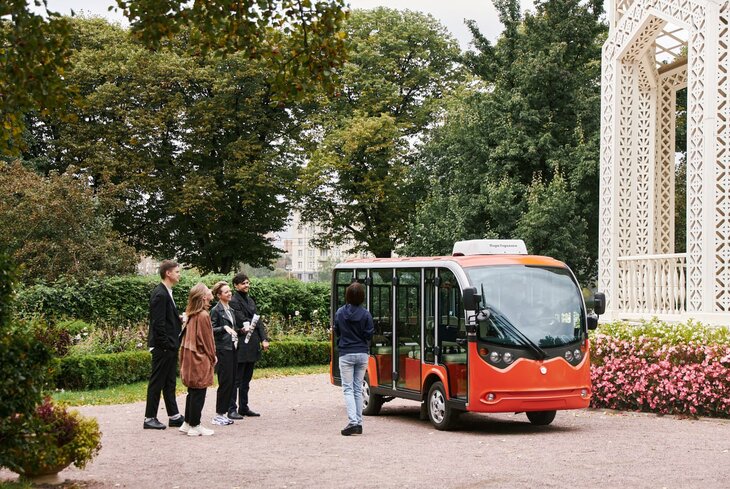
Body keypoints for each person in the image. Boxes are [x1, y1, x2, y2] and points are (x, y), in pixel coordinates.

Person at [143, 260, 185, 430]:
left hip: (169, 345)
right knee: (157, 382)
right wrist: (167, 344)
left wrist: (179, 319)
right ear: (168, 273)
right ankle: (149, 418)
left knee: (169, 382)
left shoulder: (166, 292)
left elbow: (166, 320)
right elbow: (157, 323)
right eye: (177, 272)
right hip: (163, 347)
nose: (179, 274)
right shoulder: (160, 294)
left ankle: (174, 416)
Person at [334, 282, 374, 436]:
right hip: (362, 353)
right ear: (362, 296)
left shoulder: (340, 313)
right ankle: (358, 422)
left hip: (346, 353)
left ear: (347, 296)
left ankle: (353, 422)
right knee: (358, 388)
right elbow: (369, 334)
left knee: (348, 389)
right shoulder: (366, 314)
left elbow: (337, 331)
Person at [178, 283, 217, 436]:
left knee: (192, 391)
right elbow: (207, 340)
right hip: (199, 357)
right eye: (208, 290)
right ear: (203, 297)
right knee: (199, 391)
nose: (210, 291)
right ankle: (195, 425)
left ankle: (187, 422)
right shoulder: (203, 315)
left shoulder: (192, 314)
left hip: (189, 356)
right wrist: (213, 356)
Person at [228, 272, 269, 419]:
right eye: (244, 283)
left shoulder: (250, 300)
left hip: (252, 344)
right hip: (241, 344)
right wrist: (252, 321)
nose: (247, 285)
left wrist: (264, 339)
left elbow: (258, 321)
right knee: (236, 379)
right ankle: (231, 408)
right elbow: (241, 320)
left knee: (247, 379)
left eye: (247, 282)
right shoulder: (233, 301)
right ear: (236, 285)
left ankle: (243, 407)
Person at [209, 281, 237, 426]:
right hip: (222, 349)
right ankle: (219, 414)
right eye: (226, 292)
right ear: (219, 295)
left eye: (229, 291)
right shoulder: (215, 310)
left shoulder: (230, 310)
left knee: (231, 382)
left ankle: (223, 412)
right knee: (225, 381)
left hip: (232, 348)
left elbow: (233, 329)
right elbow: (210, 330)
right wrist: (224, 327)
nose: (229, 293)